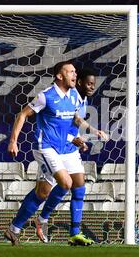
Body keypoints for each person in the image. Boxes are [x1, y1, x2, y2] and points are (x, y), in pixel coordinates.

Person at [4, 61, 84, 246]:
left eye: (75, 71)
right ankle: (43, 218)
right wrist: (13, 141)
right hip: (46, 147)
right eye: (70, 71)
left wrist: (76, 138)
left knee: (44, 192)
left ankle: (14, 229)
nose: (74, 74)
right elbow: (23, 115)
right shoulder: (46, 96)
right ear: (59, 76)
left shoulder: (75, 96)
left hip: (67, 148)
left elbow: (73, 122)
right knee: (66, 182)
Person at [34, 68, 108, 245]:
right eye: (89, 84)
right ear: (80, 82)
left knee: (79, 186)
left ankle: (75, 232)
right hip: (55, 146)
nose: (92, 87)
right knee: (48, 190)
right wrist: (81, 135)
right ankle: (39, 219)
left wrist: (80, 138)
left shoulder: (82, 98)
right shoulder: (71, 95)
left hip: (69, 147)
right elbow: (65, 124)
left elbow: (74, 122)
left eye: (94, 85)